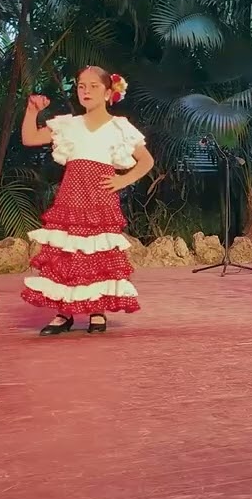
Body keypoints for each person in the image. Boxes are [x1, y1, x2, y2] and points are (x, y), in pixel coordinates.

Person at [20, 67, 154, 334]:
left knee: (96, 254)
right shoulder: (69, 124)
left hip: (99, 200)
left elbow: (146, 161)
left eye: (93, 86)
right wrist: (32, 111)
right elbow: (30, 138)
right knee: (68, 253)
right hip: (71, 197)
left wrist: (122, 180)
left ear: (108, 92)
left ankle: (96, 309)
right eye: (81, 86)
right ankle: (64, 312)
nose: (86, 91)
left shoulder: (119, 128)